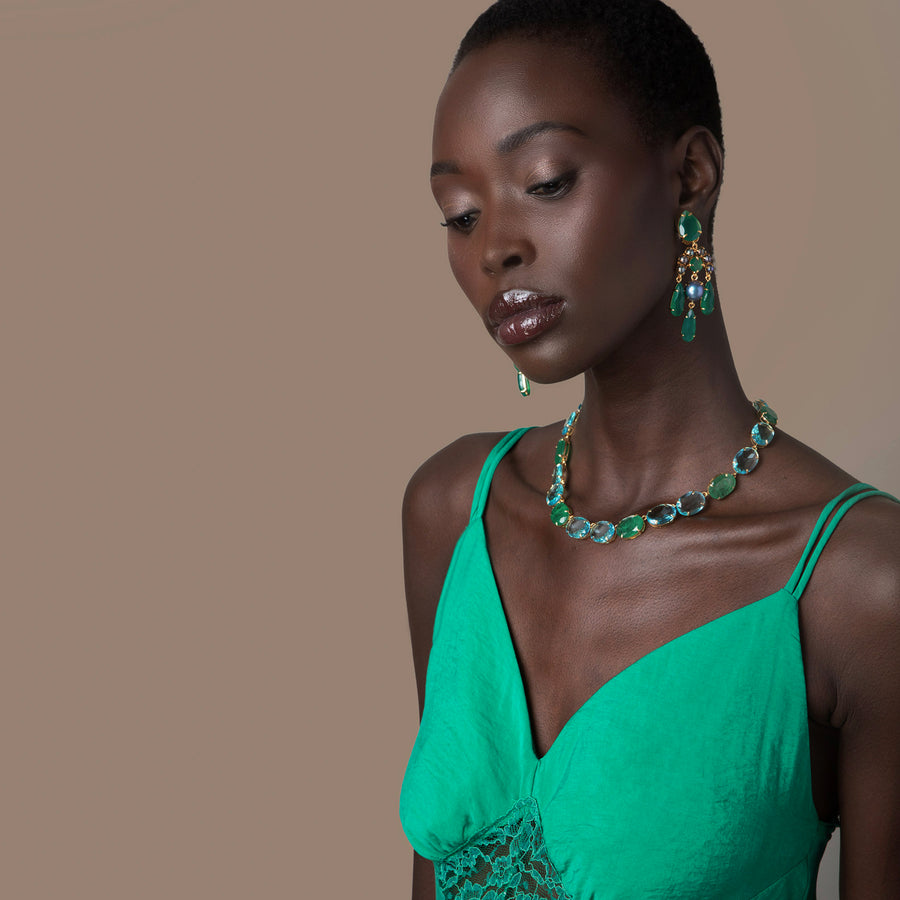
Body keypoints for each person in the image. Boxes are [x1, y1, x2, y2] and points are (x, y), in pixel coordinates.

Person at [398, 1, 900, 897]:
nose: (495, 248)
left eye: (546, 181)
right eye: (460, 214)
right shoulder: (453, 511)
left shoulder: (860, 588)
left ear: (690, 175)